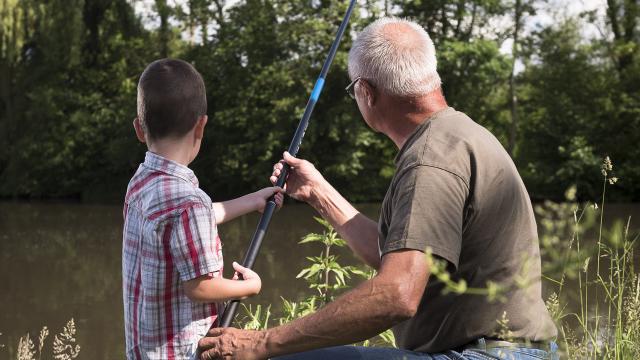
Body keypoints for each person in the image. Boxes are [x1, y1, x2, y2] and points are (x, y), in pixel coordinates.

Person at [198, 17, 558, 360]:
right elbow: (397, 259)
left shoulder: (429, 163)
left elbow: (396, 294)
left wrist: (263, 342)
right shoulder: (456, 136)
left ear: (366, 92)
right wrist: (318, 192)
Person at [122, 58, 283, 360]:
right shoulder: (187, 201)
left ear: (139, 129)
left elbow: (192, 222)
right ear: (201, 125)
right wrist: (248, 287)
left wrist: (252, 200)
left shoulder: (142, 183)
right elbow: (200, 287)